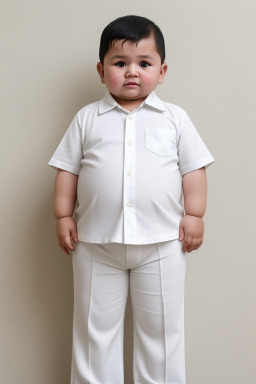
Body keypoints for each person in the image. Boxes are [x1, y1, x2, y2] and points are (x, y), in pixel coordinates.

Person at [49, 15, 214, 384]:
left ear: (162, 70)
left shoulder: (175, 119)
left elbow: (193, 169)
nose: (132, 72)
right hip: (95, 244)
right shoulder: (86, 119)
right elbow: (67, 171)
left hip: (163, 244)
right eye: (120, 63)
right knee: (94, 334)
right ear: (101, 69)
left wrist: (196, 214)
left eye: (144, 63)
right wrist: (63, 216)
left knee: (162, 335)